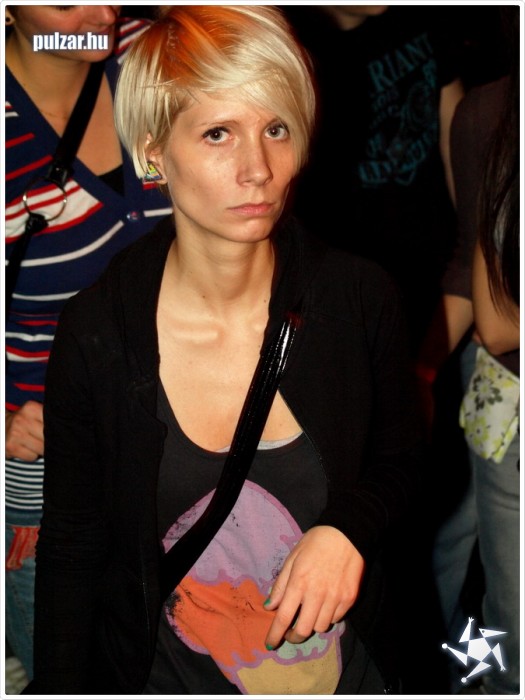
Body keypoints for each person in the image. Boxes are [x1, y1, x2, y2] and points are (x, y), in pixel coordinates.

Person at [29, 6, 422, 695]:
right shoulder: (99, 335)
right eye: (218, 133)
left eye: (276, 128)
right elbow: (73, 549)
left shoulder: (357, 297)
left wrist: (348, 530)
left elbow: (403, 456)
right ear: (153, 151)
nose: (257, 169)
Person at [4, 4, 172, 681]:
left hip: (184, 430)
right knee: (73, 669)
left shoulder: (151, 54)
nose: (100, 13)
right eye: (66, 2)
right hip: (53, 460)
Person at [418, 7, 520, 693]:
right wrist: (419, 368)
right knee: (448, 545)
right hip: (499, 389)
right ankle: (466, 669)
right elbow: (475, 278)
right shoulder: (487, 114)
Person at [282, 4, 465, 353]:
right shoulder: (289, 48)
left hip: (441, 269)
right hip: (353, 292)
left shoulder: (421, 15)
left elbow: (459, 141)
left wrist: (476, 254)